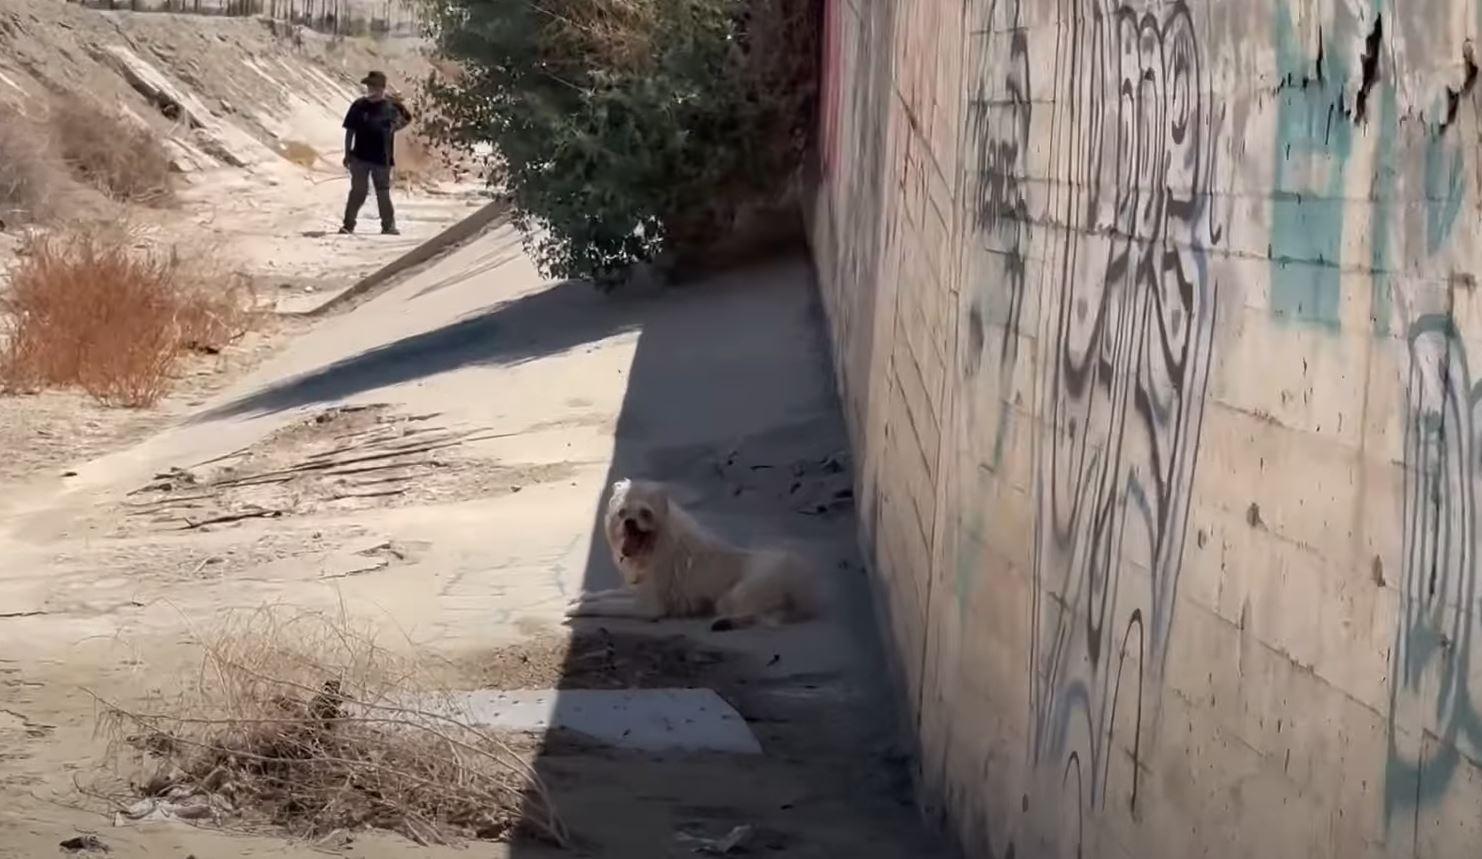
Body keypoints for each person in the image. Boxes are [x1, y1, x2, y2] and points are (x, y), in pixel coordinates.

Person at [340, 70, 412, 235]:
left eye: (374, 86)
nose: (371, 89)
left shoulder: (392, 106)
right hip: (359, 157)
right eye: (369, 86)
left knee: (383, 192)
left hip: (382, 158)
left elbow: (407, 118)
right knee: (358, 191)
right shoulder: (359, 105)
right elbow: (350, 131)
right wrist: (347, 153)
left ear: (382, 88)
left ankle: (388, 226)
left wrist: (394, 127)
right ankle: (348, 225)